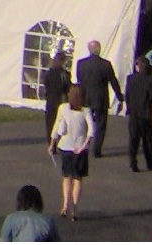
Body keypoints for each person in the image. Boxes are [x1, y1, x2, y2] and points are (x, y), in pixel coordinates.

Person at [48, 80, 91, 220]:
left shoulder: (63, 108)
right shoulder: (85, 111)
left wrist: (52, 143)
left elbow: (57, 126)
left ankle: (65, 205)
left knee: (66, 178)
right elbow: (92, 131)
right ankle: (74, 208)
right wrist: (84, 145)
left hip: (65, 147)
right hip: (79, 149)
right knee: (77, 179)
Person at [73, 40, 120, 158]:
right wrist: (119, 95)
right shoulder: (106, 64)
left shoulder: (81, 64)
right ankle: (97, 149)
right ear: (99, 50)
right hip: (100, 98)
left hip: (85, 98)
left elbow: (79, 80)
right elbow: (113, 81)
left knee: (83, 123)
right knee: (100, 124)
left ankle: (81, 145)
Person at [124, 51, 152, 172]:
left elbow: (127, 95)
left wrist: (128, 107)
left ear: (137, 66)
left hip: (134, 113)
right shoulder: (150, 80)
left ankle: (133, 163)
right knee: (148, 140)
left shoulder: (130, 79)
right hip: (146, 113)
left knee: (133, 139)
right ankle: (150, 162)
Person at [41, 49, 72, 143]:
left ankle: (51, 142)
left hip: (50, 100)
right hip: (61, 101)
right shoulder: (65, 74)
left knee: (50, 123)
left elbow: (45, 84)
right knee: (61, 123)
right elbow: (67, 87)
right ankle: (59, 141)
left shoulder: (48, 73)